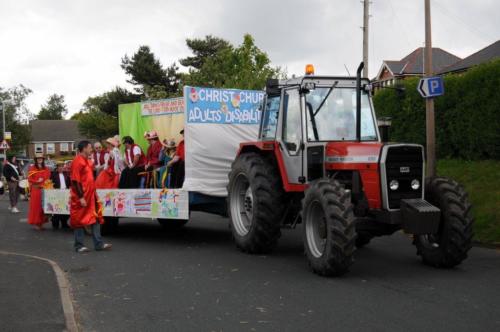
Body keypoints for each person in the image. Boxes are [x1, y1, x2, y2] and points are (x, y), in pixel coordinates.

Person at [70, 140, 111, 253]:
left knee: (96, 217)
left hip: (91, 194)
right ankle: (79, 245)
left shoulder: (87, 161)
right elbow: (75, 181)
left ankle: (98, 244)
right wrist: (81, 197)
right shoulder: (78, 161)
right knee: (79, 219)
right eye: (89, 148)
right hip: (82, 195)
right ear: (83, 149)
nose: (91, 150)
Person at [27, 153, 51, 230]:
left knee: (43, 207)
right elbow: (30, 179)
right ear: (36, 160)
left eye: (41, 158)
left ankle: (41, 223)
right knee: (36, 207)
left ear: (43, 159)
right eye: (38, 158)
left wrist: (47, 183)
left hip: (44, 190)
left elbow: (48, 178)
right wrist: (37, 180)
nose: (39, 159)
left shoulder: (46, 168)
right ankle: (36, 223)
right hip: (36, 190)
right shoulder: (32, 168)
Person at [50, 161, 70, 229]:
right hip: (56, 194)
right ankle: (55, 223)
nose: (61, 168)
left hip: (65, 193)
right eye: (59, 167)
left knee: (65, 209)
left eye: (62, 166)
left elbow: (70, 183)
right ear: (57, 168)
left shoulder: (66, 174)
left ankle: (64, 223)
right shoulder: (53, 174)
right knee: (56, 209)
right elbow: (50, 183)